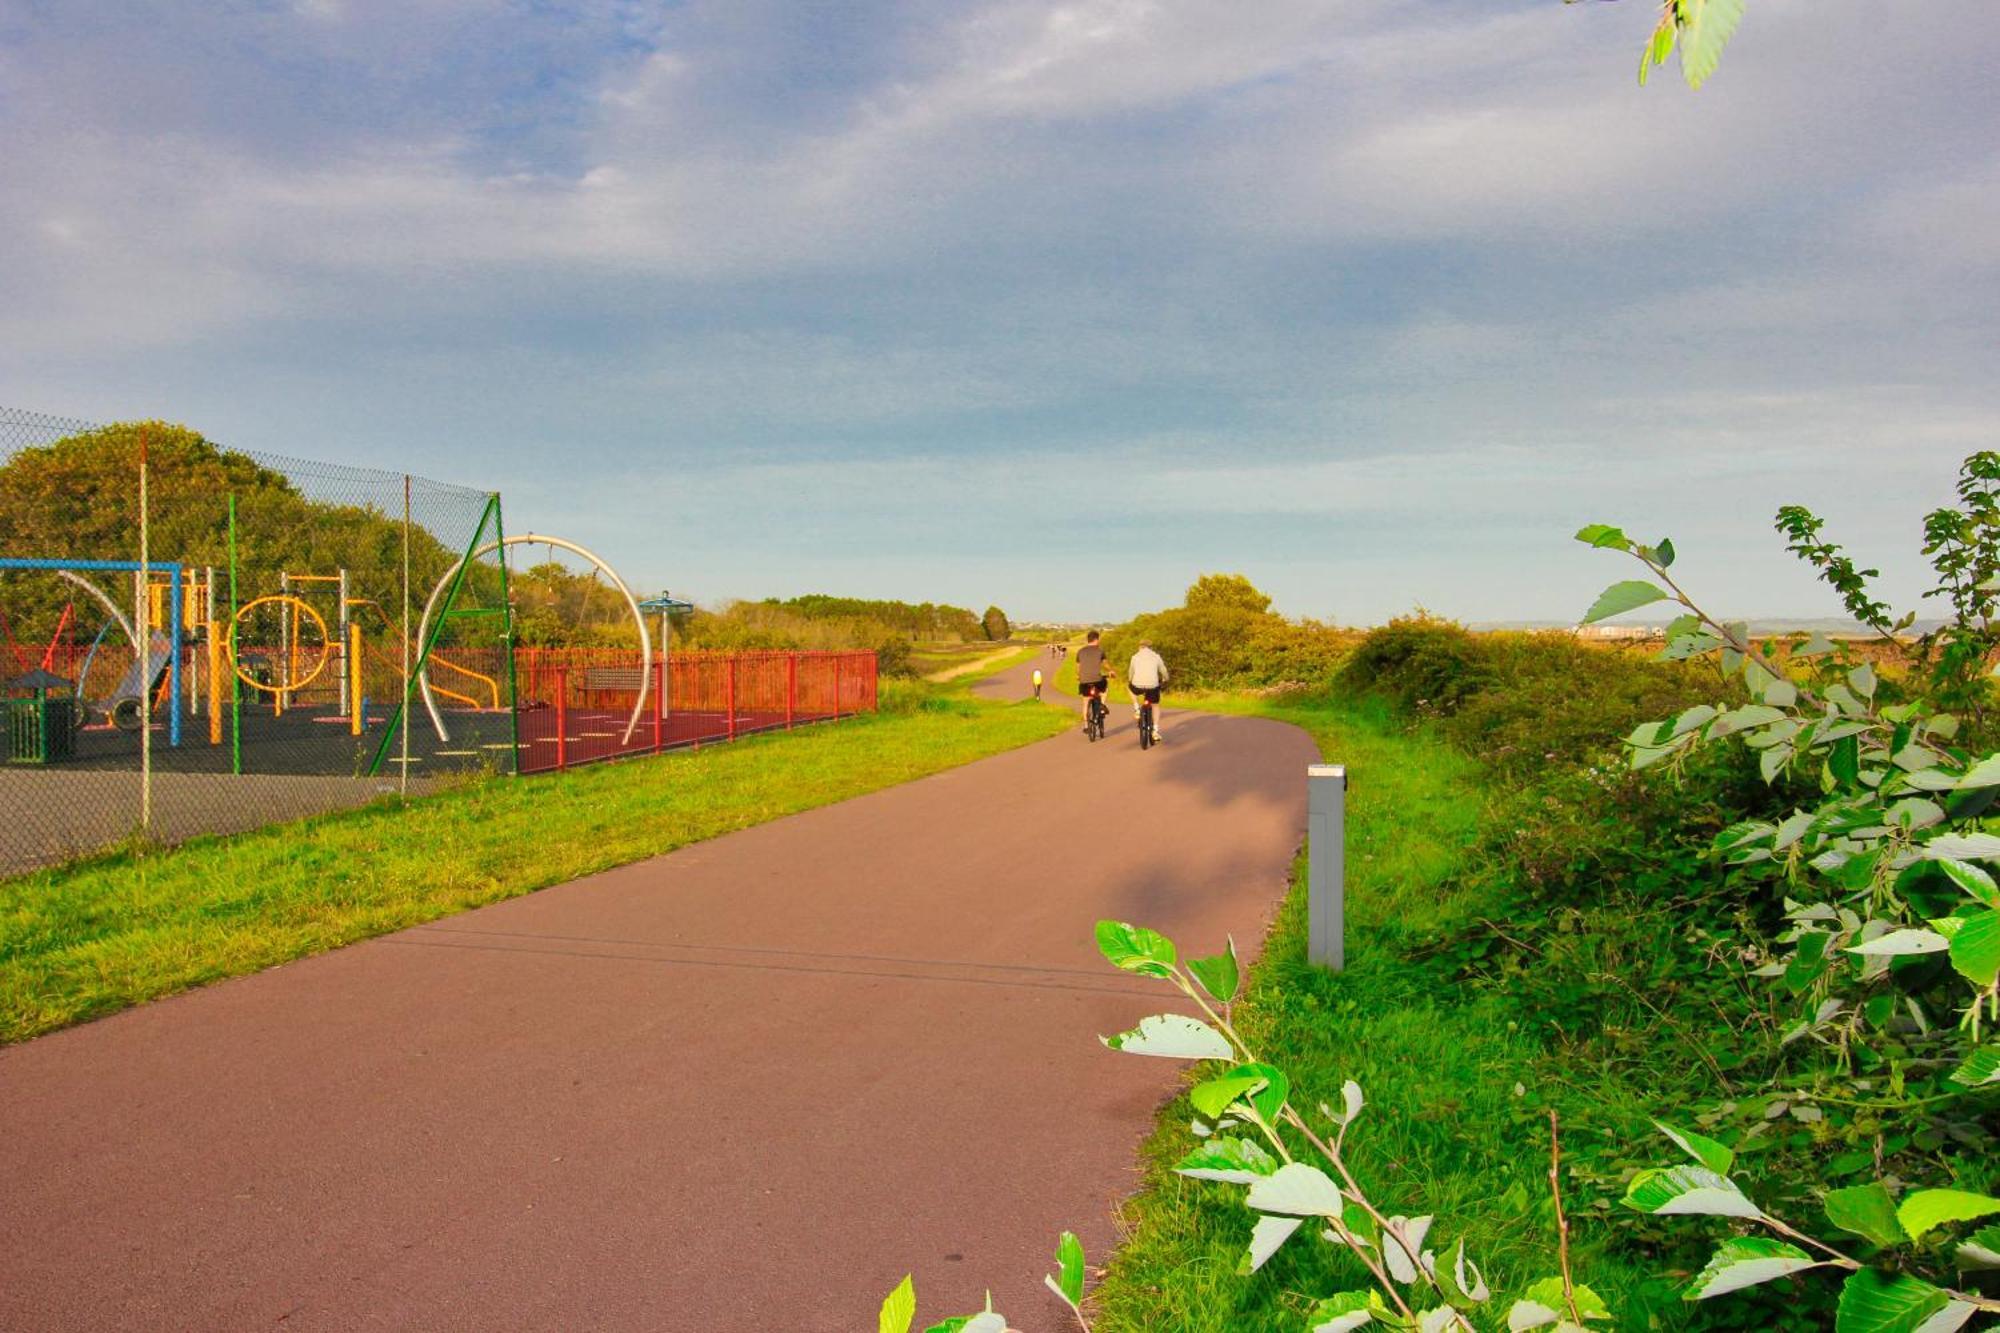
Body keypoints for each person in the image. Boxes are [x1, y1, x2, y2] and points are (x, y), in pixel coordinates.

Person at [1127, 638, 1169, 742]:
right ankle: (1155, 730)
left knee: (1129, 687)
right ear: (1150, 647)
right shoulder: (1156, 656)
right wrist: (1166, 679)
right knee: (1155, 705)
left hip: (1137, 685)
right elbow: (1163, 670)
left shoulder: (1134, 657)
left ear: (1140, 646)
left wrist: (1130, 680)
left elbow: (1130, 672)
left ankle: (1136, 709)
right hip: (1152, 686)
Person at [1074, 630, 1109, 732]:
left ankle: (1086, 726)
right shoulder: (1100, 651)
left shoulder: (1080, 651)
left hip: (1084, 681)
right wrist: (1111, 671)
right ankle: (1102, 704)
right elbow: (1105, 664)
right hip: (1097, 680)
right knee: (1105, 687)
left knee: (1085, 702)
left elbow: (1078, 667)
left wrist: (1078, 676)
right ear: (1096, 639)